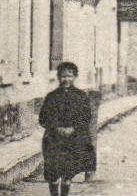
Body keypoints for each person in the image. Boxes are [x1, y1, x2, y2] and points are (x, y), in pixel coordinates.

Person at [39, 62, 95, 196]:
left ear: (75, 77)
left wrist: (73, 128)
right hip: (54, 140)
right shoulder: (51, 96)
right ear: (58, 77)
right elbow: (43, 118)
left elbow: (86, 117)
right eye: (63, 76)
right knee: (52, 173)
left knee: (67, 174)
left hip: (73, 140)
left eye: (70, 76)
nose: (66, 79)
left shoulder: (81, 96)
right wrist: (56, 127)